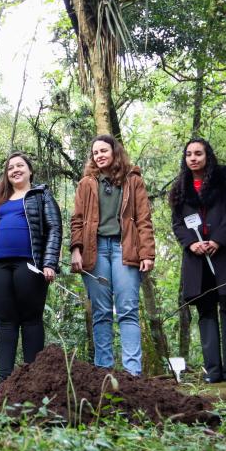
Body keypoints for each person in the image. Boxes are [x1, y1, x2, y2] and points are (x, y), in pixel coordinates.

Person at [170, 139, 226, 383]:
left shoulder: (223, 179)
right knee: (206, 311)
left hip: (225, 253)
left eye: (198, 153)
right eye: (189, 154)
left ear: (207, 156)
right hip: (197, 258)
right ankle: (213, 371)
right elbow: (177, 223)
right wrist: (192, 243)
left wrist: (218, 240)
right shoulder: (180, 187)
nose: (193, 158)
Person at [70, 135, 155, 377]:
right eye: (95, 152)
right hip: (94, 251)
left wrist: (147, 253)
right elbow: (77, 220)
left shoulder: (133, 180)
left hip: (124, 248)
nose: (99, 155)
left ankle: (132, 373)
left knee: (127, 309)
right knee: (101, 312)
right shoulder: (86, 184)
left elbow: (144, 219)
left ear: (114, 152)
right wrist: (76, 250)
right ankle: (103, 373)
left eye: (104, 151)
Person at [0, 152, 62, 382]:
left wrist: (49, 263)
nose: (15, 170)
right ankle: (5, 381)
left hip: (30, 265)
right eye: (10, 167)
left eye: (20, 166)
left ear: (30, 170)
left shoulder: (41, 195)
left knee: (31, 319)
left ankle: (32, 380)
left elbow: (54, 228)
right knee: (5, 322)